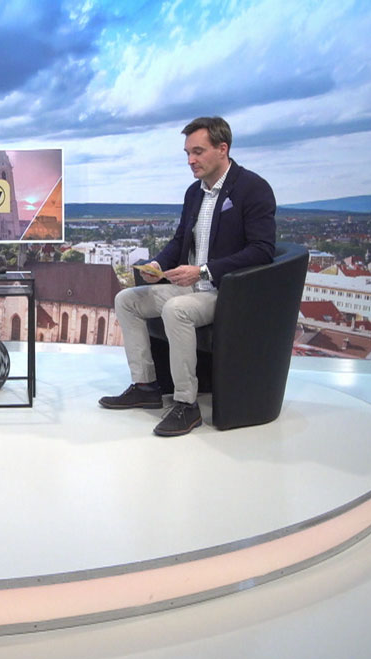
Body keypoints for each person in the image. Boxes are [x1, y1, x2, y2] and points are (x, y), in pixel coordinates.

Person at [99, 117, 275, 436]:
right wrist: (156, 265)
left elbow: (262, 251)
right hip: (192, 287)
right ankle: (145, 387)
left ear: (223, 149)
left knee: (175, 310)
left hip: (227, 292)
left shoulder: (253, 189)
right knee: (126, 300)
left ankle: (186, 405)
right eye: (187, 153)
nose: (191, 160)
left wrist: (204, 270)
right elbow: (180, 240)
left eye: (198, 152)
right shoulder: (194, 192)